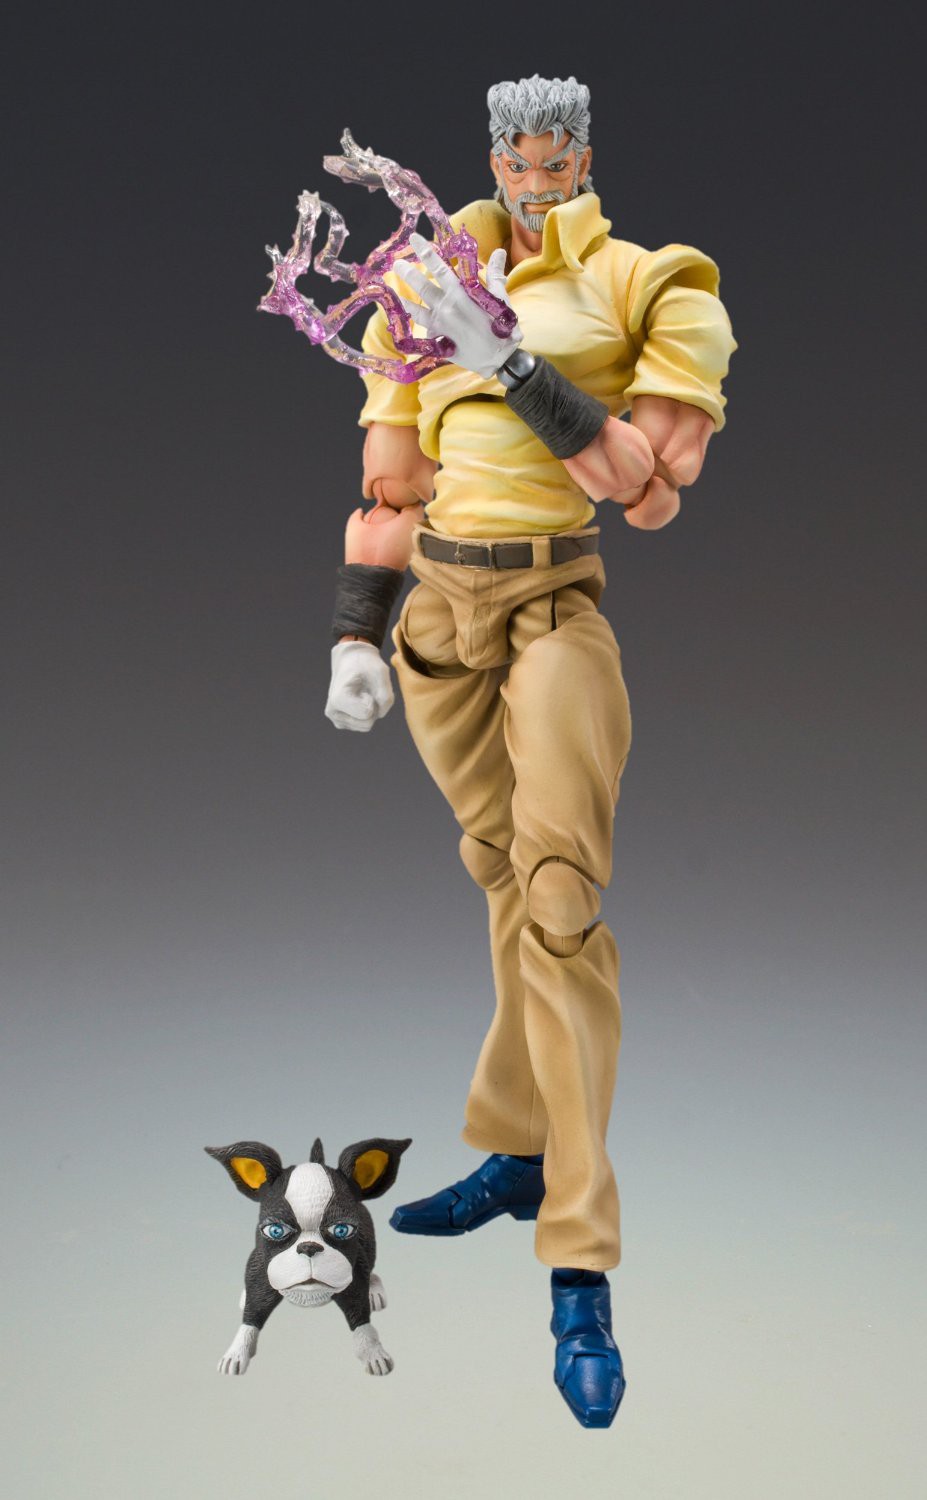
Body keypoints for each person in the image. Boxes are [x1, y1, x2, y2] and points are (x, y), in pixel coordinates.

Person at [324, 74, 735, 1427]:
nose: (536, 177)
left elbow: (648, 490)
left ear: (585, 157)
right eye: (517, 159)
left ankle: (579, 1263)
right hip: (441, 617)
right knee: (502, 877)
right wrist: (355, 633)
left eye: (556, 161)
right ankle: (518, 1148)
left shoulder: (651, 282)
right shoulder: (418, 278)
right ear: (495, 157)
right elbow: (390, 487)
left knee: (561, 907)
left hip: (558, 605)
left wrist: (507, 361)